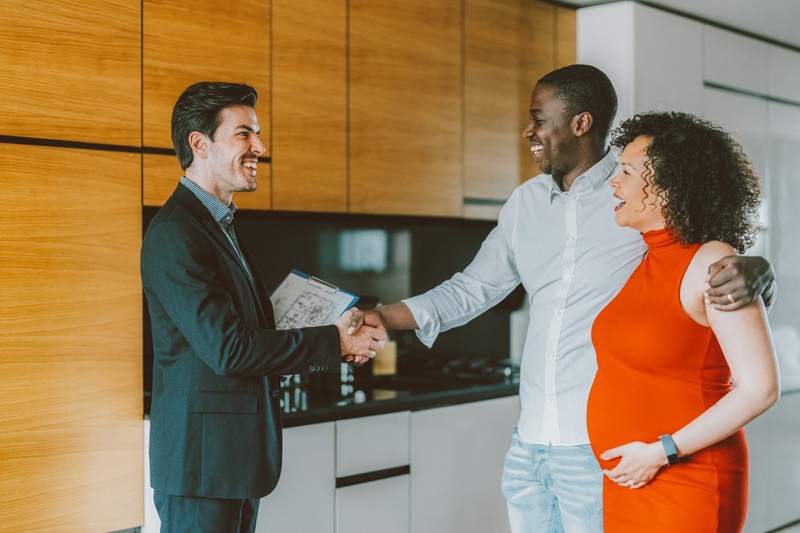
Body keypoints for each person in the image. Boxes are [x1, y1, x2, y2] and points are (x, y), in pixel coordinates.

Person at [348, 65, 776, 533]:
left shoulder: (641, 196)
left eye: (538, 117)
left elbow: (706, 256)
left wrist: (760, 269)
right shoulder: (525, 205)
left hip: (602, 449)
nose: (528, 131)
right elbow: (472, 288)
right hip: (530, 441)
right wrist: (384, 316)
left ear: (580, 123)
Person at [140, 81, 386, 533]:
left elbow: (244, 336)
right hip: (202, 468)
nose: (260, 146)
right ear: (200, 143)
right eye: (244, 134)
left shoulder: (219, 225)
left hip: (227, 462)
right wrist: (333, 341)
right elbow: (230, 350)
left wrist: (334, 338)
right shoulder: (178, 232)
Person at [587, 112, 780, 532]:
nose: (613, 183)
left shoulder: (713, 261)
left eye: (626, 172)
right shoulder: (644, 259)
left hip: (682, 477)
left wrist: (661, 451)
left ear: (668, 186)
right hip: (630, 477)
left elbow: (760, 388)